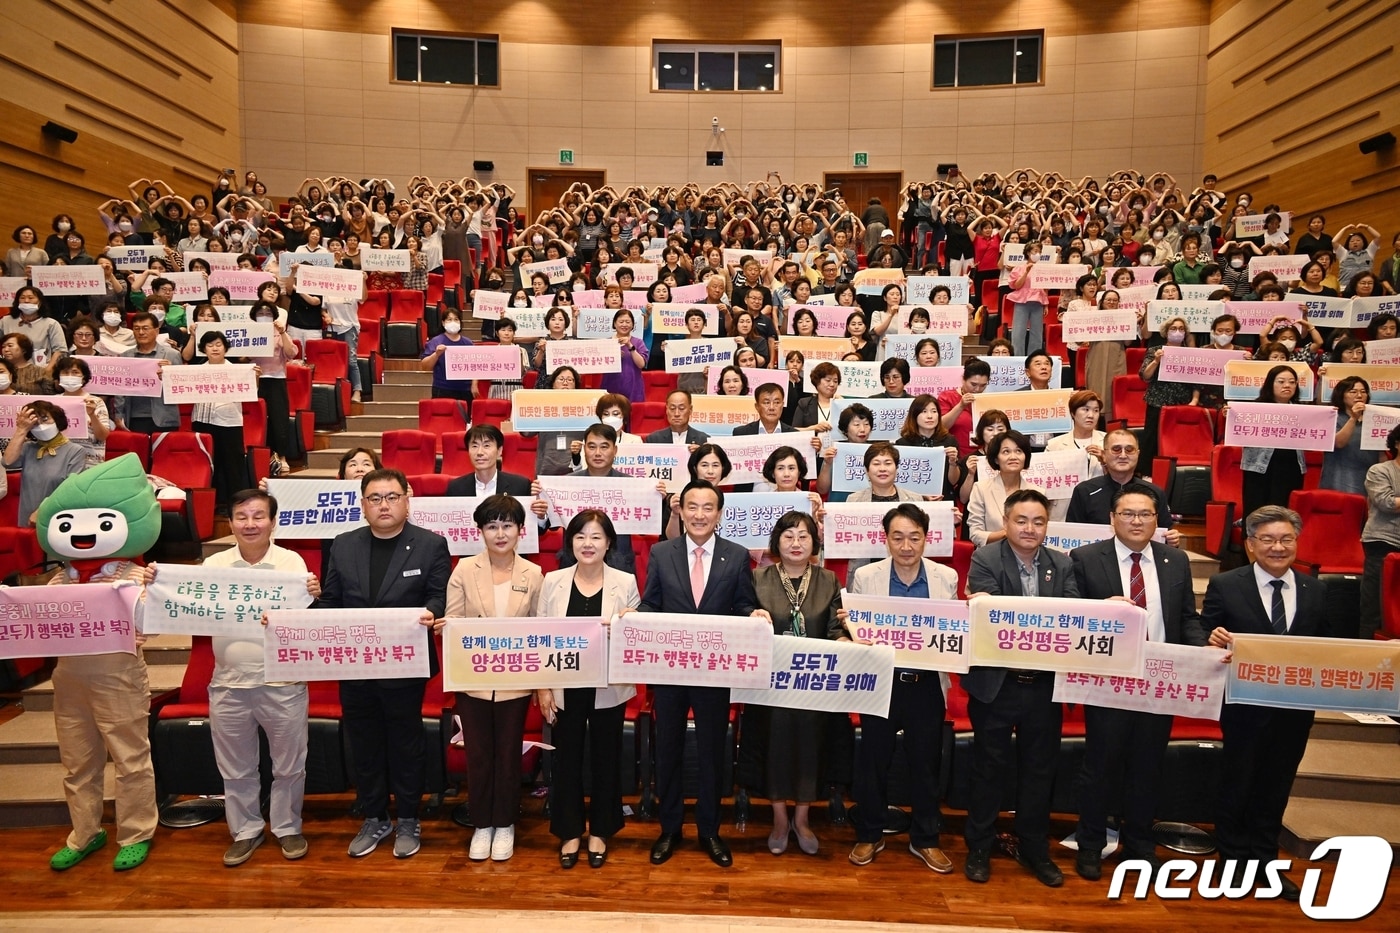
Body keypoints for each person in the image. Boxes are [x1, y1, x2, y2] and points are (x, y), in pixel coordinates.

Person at [157, 488, 322, 866]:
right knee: (236, 767)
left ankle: (287, 827)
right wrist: (159, 580)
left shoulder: (292, 563)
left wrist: (313, 594)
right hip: (228, 684)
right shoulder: (213, 566)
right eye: (242, 517)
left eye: (258, 516)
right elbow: (180, 601)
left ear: (273, 521)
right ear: (230, 523)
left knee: (290, 765)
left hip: (283, 683)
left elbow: (307, 619)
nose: (250, 524)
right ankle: (245, 830)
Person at [1068, 483, 1207, 881]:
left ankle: (1140, 845)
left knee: (1147, 767)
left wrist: (1202, 655)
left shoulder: (1175, 560)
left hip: (1158, 679)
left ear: (1157, 519)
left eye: (1145, 514)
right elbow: (1072, 615)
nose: (1136, 521)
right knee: (1100, 765)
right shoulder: (1085, 558)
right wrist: (1099, 610)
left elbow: (1186, 619)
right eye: (1127, 513)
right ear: (1112, 518)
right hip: (1107, 680)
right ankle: (1091, 844)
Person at [36, 456, 162, 872]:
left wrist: (131, 591)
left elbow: (153, 627)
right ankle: (85, 833)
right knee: (77, 760)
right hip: (68, 677)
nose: (84, 533)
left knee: (130, 758)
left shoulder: (132, 574)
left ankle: (137, 832)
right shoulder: (58, 578)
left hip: (119, 674)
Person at [319, 468, 451, 859]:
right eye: (374, 498)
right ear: (362, 505)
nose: (384, 505)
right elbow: (330, 601)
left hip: (404, 664)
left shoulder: (430, 545)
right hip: (355, 666)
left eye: (391, 496)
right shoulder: (342, 545)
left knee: (405, 743)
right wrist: (293, 618)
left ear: (407, 499)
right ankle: (375, 816)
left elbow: (438, 596)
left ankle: (409, 818)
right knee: (364, 745)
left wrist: (430, 612)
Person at [1204, 505, 1332, 901]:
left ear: (1297, 543)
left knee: (1276, 787)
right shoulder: (1227, 584)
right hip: (1243, 707)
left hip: (1295, 709)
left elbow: (1330, 647)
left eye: (1286, 539)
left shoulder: (1317, 589)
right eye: (1268, 539)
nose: (1278, 547)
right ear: (1250, 545)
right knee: (1237, 783)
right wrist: (1211, 638)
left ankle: (1265, 862)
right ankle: (1231, 861)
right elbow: (1206, 630)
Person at [637, 480, 762, 869]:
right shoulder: (662, 552)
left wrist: (753, 613)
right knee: (668, 748)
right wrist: (633, 619)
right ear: (681, 510)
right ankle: (669, 827)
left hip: (713, 671)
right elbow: (651, 604)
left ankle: (710, 829)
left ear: (720, 513)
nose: (699, 514)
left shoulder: (737, 555)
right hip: (670, 669)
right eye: (692, 506)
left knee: (712, 751)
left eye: (708, 507)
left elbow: (742, 603)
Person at [963, 488, 1080, 887]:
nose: (1030, 528)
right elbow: (994, 620)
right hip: (998, 684)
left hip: (1043, 687)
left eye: (1039, 521)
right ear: (1006, 523)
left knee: (1039, 771)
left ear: (1048, 526)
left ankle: (1034, 848)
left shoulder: (1062, 564)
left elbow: (1071, 615)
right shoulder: (985, 558)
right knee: (988, 769)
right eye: (1021, 520)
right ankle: (979, 845)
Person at [846, 504, 960, 873]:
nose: (906, 545)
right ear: (886, 539)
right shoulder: (866, 576)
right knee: (873, 762)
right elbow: (857, 629)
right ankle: (870, 832)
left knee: (925, 764)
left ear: (927, 538)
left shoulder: (946, 577)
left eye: (914, 537)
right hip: (881, 682)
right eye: (898, 537)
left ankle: (925, 839)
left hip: (926, 684)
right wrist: (851, 625)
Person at [439, 494, 543, 862]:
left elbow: (539, 630)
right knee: (479, 755)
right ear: (481, 531)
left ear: (520, 530)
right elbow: (451, 623)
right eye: (492, 526)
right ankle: (483, 823)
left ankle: (506, 823)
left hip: (516, 680)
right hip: (474, 679)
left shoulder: (533, 573)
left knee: (508, 754)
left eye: (507, 525)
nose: (500, 533)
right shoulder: (465, 569)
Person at [735, 511, 845, 857]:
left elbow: (835, 628)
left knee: (812, 749)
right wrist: (749, 616)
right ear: (776, 542)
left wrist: (842, 637)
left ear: (815, 543)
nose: (796, 543)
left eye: (803, 537)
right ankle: (779, 819)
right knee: (774, 747)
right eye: (788, 537)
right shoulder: (759, 578)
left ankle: (803, 818)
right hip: (769, 683)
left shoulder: (828, 580)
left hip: (814, 683)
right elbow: (740, 616)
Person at [535, 510, 640, 869]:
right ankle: (569, 831)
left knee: (605, 759)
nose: (588, 544)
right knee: (566, 761)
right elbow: (539, 637)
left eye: (596, 537)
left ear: (609, 543)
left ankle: (601, 830)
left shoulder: (625, 583)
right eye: (580, 536)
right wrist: (543, 687)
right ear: (571, 542)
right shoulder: (553, 581)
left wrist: (622, 630)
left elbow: (634, 640)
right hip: (565, 685)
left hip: (607, 685)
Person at [1065, 428, 1178, 545]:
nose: (1123, 455)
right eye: (1116, 449)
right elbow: (1071, 535)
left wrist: (1172, 539)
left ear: (1138, 454)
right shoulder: (1085, 491)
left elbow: (1166, 534)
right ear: (1104, 454)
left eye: (1129, 450)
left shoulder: (1154, 492)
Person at [190, 331, 254, 511]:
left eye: (218, 344)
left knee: (232, 465)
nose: (215, 348)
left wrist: (254, 378)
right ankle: (210, 505)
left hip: (229, 422)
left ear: (225, 348)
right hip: (202, 421)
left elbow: (251, 391)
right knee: (209, 464)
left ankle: (236, 505)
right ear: (203, 349)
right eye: (210, 345)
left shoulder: (238, 370)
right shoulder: (194, 372)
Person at [3, 400, 90, 527]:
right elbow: (7, 462)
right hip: (27, 520)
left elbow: (70, 488)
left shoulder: (75, 451)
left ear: (57, 420)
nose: (41, 425)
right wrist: (21, 430)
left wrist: (42, 511)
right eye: (35, 423)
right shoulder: (28, 448)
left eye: (45, 419)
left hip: (58, 520)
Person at [1241, 365, 1307, 518]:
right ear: (1270, 383)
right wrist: (1231, 416)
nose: (1287, 385)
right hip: (1259, 468)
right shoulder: (1254, 408)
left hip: (1291, 467)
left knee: (1284, 514)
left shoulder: (1303, 411)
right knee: (1257, 512)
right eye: (1281, 381)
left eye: (1292, 382)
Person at [1360, 425, 1400, 640]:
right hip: (1383, 541)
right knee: (1374, 607)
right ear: (1396, 443)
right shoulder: (1380, 470)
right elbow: (1386, 502)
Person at [967, 430, 1040, 547]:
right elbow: (975, 534)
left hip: (1027, 555)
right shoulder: (981, 489)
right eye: (1006, 452)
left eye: (1018, 451)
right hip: (992, 558)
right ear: (996, 459)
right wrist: (1008, 533)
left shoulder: (1038, 492)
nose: (1013, 457)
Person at [113, 313, 183, 434]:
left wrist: (170, 375)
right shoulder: (126, 356)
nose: (141, 332)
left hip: (164, 416)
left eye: (145, 328)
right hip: (135, 416)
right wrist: (119, 414)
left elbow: (181, 387)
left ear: (156, 331)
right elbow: (120, 390)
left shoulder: (172, 355)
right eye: (136, 328)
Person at [1319, 376, 1381, 495]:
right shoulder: (1332, 416)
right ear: (1341, 395)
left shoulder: (1374, 418)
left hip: (1371, 476)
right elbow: (1338, 443)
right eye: (1353, 392)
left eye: (1363, 392)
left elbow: (1381, 453)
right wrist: (1354, 418)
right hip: (1340, 476)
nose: (1359, 395)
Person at [53, 357, 112, 467]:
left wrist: (92, 415)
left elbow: (102, 436)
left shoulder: (96, 402)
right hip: (59, 463)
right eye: (65, 373)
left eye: (75, 372)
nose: (70, 376)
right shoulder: (52, 403)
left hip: (89, 463)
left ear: (84, 378)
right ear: (59, 377)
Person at [445, 424, 533, 497]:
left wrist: (541, 516)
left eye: (486, 446)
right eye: (474, 446)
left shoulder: (520, 485)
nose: (480, 452)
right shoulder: (455, 487)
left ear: (499, 451)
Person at [1045, 390, 1105, 482]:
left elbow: (1121, 476)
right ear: (1073, 413)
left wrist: (1105, 461)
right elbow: (1046, 477)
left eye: (1096, 410)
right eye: (1086, 409)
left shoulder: (1108, 441)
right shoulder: (1054, 445)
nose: (1091, 415)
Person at [420, 307, 474, 408]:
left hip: (465, 390)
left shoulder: (468, 343)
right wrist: (436, 354)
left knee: (464, 421)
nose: (453, 322)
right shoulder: (436, 341)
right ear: (443, 323)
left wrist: (474, 385)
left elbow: (475, 367)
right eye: (449, 319)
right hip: (442, 389)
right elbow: (425, 367)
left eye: (456, 319)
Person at [938, 359, 992, 457]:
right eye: (973, 384)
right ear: (963, 379)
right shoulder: (947, 397)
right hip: (955, 454)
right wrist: (960, 406)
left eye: (983, 385)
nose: (977, 389)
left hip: (982, 455)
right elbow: (941, 426)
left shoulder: (988, 401)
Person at [645, 389, 709, 447]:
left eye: (681, 408)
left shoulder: (703, 440)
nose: (676, 414)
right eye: (672, 408)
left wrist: (699, 453)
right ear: (666, 410)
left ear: (690, 409)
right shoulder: (654, 440)